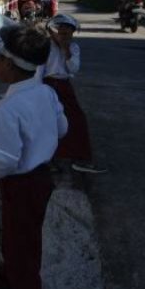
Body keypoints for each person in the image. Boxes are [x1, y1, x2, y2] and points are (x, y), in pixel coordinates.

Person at [0, 24, 68, 289]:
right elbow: (62, 128)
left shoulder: (8, 109)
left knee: (21, 247)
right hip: (41, 179)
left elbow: (4, 161)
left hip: (22, 185)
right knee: (21, 239)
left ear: (10, 65)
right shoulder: (46, 92)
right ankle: (9, 281)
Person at [41, 15, 107, 174]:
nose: (64, 35)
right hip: (47, 85)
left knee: (76, 120)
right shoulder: (46, 46)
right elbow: (39, 68)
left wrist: (65, 49)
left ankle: (80, 158)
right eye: (61, 31)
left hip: (64, 86)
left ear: (72, 33)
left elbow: (73, 68)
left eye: (67, 32)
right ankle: (46, 160)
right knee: (46, 123)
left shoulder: (74, 48)